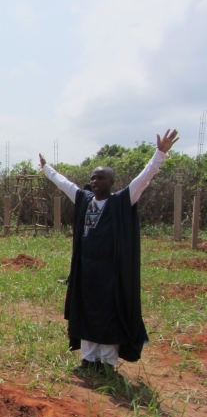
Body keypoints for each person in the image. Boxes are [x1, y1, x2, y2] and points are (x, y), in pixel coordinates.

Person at [39, 129, 179, 371]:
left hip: (111, 271)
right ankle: (88, 358)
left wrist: (160, 153)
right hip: (86, 269)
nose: (95, 181)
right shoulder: (83, 199)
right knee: (86, 311)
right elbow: (64, 184)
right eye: (93, 177)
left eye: (101, 178)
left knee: (109, 312)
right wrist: (46, 169)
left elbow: (145, 178)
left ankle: (106, 362)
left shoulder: (123, 200)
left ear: (111, 182)